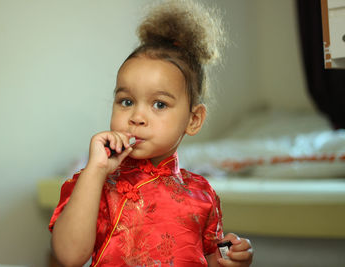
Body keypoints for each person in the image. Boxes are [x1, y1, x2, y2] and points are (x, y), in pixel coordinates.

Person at [49, 0, 253, 266]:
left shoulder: (202, 193)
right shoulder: (97, 184)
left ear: (193, 120)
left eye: (159, 104)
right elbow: (68, 256)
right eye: (126, 101)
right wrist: (95, 172)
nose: (136, 117)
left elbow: (210, 257)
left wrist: (231, 255)